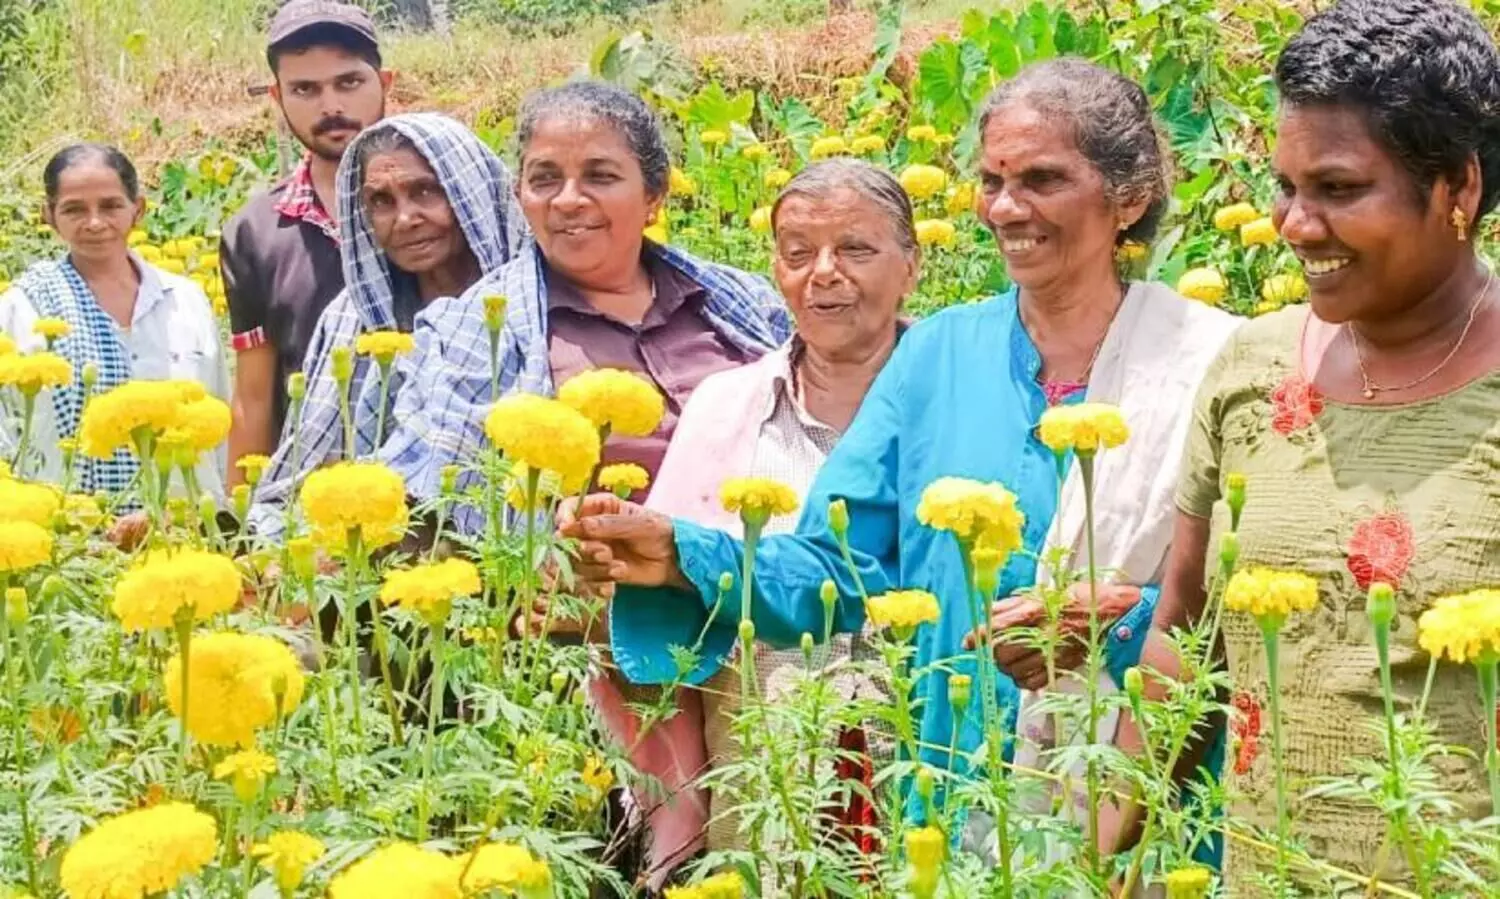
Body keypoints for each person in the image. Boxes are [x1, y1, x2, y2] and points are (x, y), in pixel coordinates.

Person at [558, 58, 1239, 858]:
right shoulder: (940, 353)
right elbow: (838, 566)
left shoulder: (1210, 362)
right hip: (957, 783)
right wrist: (683, 553)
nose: (1007, 208)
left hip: (1147, 787)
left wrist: (1126, 623)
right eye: (992, 180)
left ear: (1129, 197)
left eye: (1044, 179)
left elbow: (1254, 595)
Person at [1133, 0, 1500, 891]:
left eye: (1337, 190)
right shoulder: (1253, 370)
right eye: (1286, 188)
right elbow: (1185, 633)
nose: (1294, 225)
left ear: (1457, 190)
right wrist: (1111, 844)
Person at [585, 159, 917, 886]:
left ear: (911, 267)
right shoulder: (726, 403)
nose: (823, 273)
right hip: (762, 778)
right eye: (798, 254)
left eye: (855, 249)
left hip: (921, 775)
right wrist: (611, 563)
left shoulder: (953, 401)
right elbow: (670, 608)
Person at [378, 80, 792, 512]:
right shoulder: (470, 331)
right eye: (545, 179)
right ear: (520, 195)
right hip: (596, 571)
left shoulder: (743, 301)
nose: (569, 200)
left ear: (654, 195)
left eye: (600, 176)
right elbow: (440, 492)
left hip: (765, 562)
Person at [248, 112, 526, 535]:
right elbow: (306, 469)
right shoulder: (351, 319)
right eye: (381, 201)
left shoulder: (529, 310)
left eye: (426, 191)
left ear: (471, 192)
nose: (404, 218)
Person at [221, 0, 391, 487]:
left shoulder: (440, 209)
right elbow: (254, 398)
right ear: (277, 97)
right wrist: (242, 535)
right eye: (305, 90)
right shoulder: (255, 233)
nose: (331, 106)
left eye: (349, 82)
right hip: (308, 512)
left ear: (387, 83)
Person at [0, 144, 229, 496]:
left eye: (110, 206)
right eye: (74, 209)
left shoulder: (186, 301)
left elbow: (220, 415)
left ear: (138, 210)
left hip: (184, 527)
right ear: (48, 214)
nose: (95, 223)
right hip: (72, 534)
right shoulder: (23, 308)